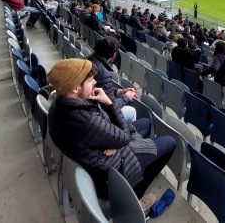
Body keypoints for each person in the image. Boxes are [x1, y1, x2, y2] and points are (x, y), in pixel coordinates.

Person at [47, 59, 175, 208]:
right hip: (108, 173)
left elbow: (106, 127)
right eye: (90, 81)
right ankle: (138, 196)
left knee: (145, 123)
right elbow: (124, 137)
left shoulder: (59, 104)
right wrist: (109, 103)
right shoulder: (87, 120)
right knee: (170, 143)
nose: (95, 82)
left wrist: (112, 140)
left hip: (94, 155)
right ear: (75, 88)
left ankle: (138, 169)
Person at [87, 37, 138, 122]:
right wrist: (126, 97)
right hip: (97, 115)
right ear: (114, 55)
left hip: (90, 108)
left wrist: (119, 91)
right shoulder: (103, 73)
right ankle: (127, 134)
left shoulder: (87, 59)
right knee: (131, 111)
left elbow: (102, 90)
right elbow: (111, 106)